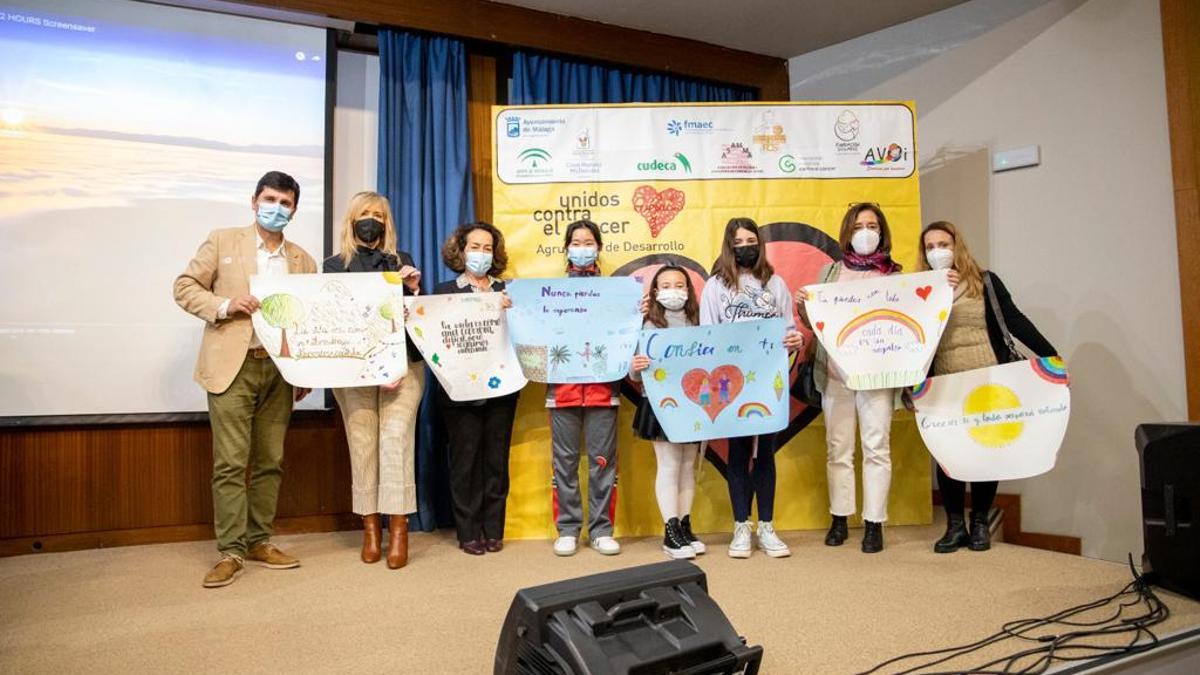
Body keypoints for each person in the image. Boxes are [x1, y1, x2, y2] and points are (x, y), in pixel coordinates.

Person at [174, 171, 316, 588]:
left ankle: (259, 541)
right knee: (231, 463)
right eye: (269, 199)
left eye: (285, 202)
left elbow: (308, 320)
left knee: (271, 460)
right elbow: (184, 287)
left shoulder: (302, 260)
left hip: (278, 370)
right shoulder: (222, 240)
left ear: (294, 209)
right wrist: (224, 304)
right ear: (254, 202)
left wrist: (302, 371)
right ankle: (231, 551)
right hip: (231, 366)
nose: (276, 208)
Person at [912, 220, 1057, 553]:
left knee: (985, 451)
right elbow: (913, 336)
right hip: (944, 382)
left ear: (957, 245)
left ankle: (979, 522)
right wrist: (937, 292)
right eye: (930, 247)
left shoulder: (986, 281)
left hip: (989, 378)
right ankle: (954, 525)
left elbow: (1015, 320)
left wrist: (1051, 356)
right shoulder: (920, 289)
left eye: (943, 244)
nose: (937, 252)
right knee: (948, 454)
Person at [796, 202, 906, 554]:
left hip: (877, 376)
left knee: (877, 448)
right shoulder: (830, 273)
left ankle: (874, 522)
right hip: (836, 375)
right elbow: (816, 322)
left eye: (872, 225)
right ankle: (840, 517)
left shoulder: (895, 276)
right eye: (859, 225)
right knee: (838, 449)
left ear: (882, 231)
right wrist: (803, 305)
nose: (866, 232)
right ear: (848, 231)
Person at [323, 191, 424, 569]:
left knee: (396, 440)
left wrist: (413, 289)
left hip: (403, 368)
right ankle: (370, 527)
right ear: (351, 220)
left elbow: (416, 317)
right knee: (363, 442)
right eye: (365, 213)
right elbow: (340, 320)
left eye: (379, 214)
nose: (372, 220)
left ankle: (398, 527)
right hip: (354, 370)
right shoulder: (333, 266)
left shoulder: (403, 261)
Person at [699, 217, 804, 559]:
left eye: (751, 240)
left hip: (769, 380)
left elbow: (789, 329)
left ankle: (768, 527)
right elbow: (708, 333)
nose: (746, 246)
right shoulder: (716, 286)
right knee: (740, 451)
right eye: (739, 241)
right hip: (733, 382)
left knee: (766, 452)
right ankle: (741, 525)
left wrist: (793, 339)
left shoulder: (775, 284)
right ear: (729, 246)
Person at [433, 222, 518, 556]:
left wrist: (517, 312)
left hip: (503, 387)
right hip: (459, 390)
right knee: (465, 461)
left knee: (496, 460)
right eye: (474, 247)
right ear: (461, 250)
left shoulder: (509, 291)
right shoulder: (443, 292)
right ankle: (468, 531)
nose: (481, 254)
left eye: (487, 248)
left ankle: (493, 529)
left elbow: (526, 336)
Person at [546, 220, 622, 557]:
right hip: (562, 389)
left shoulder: (615, 292)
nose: (582, 247)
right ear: (566, 248)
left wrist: (637, 311)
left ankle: (602, 529)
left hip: (603, 388)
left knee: (603, 462)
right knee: (564, 462)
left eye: (588, 241)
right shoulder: (550, 293)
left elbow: (625, 331)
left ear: (599, 247)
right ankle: (567, 528)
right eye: (575, 242)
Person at [630, 265, 705, 559]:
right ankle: (670, 529)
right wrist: (636, 368)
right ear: (656, 291)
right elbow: (634, 371)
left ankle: (685, 523)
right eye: (666, 285)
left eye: (679, 284)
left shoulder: (698, 321)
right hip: (661, 402)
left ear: (688, 289)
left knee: (688, 465)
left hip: (694, 402)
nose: (674, 290)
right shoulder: (647, 323)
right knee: (670, 465)